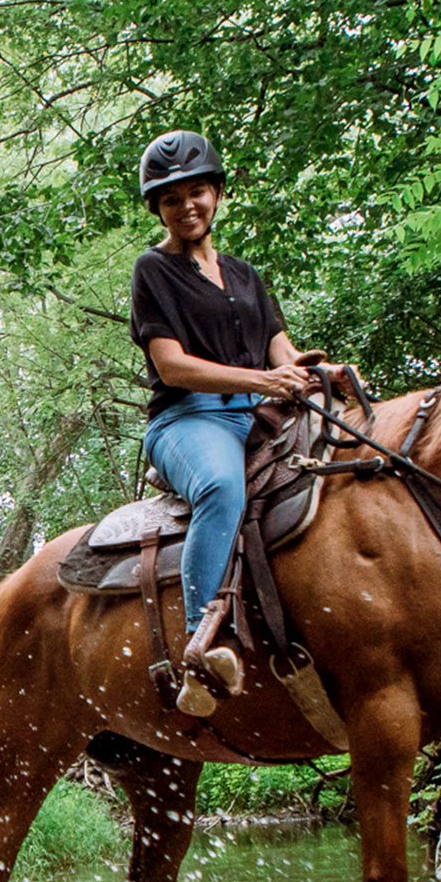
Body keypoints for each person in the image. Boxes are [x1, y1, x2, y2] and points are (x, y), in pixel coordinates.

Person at [129, 129, 316, 718]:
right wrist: (261, 381)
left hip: (259, 414)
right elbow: (172, 366)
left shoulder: (244, 275)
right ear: (159, 209)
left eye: (197, 192)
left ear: (216, 193)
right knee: (220, 487)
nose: (187, 206)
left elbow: (280, 351)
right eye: (171, 199)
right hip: (188, 420)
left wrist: (315, 371)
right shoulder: (153, 271)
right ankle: (202, 642)